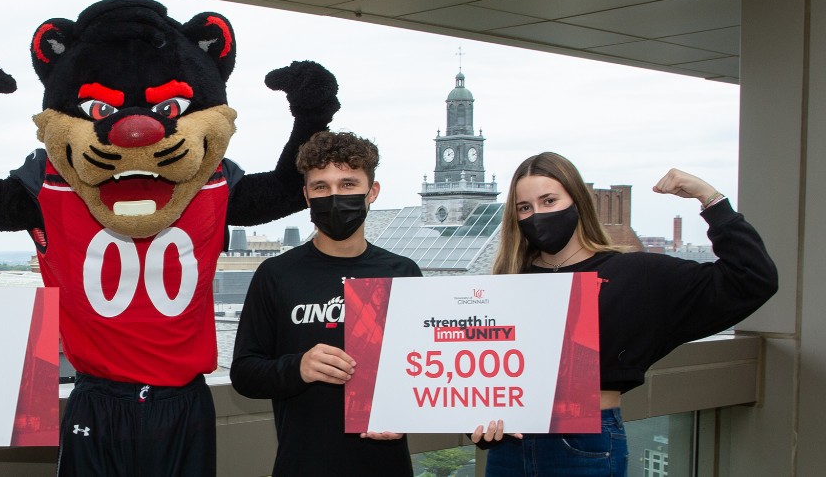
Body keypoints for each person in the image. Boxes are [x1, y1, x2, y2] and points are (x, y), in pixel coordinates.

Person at [478, 152, 778, 475]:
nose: (537, 215)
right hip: (509, 449)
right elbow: (482, 374)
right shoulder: (509, 282)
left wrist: (710, 198)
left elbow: (752, 280)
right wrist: (479, 423)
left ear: (577, 201)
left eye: (549, 201)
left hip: (583, 445)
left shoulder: (634, 273)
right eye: (525, 208)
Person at [231, 131, 511, 476]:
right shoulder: (276, 274)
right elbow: (244, 373)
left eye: (348, 184)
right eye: (321, 187)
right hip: (303, 464)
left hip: (386, 464)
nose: (334, 196)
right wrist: (298, 367)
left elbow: (433, 371)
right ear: (306, 196)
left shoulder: (401, 272)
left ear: (372, 192)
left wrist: (478, 417)